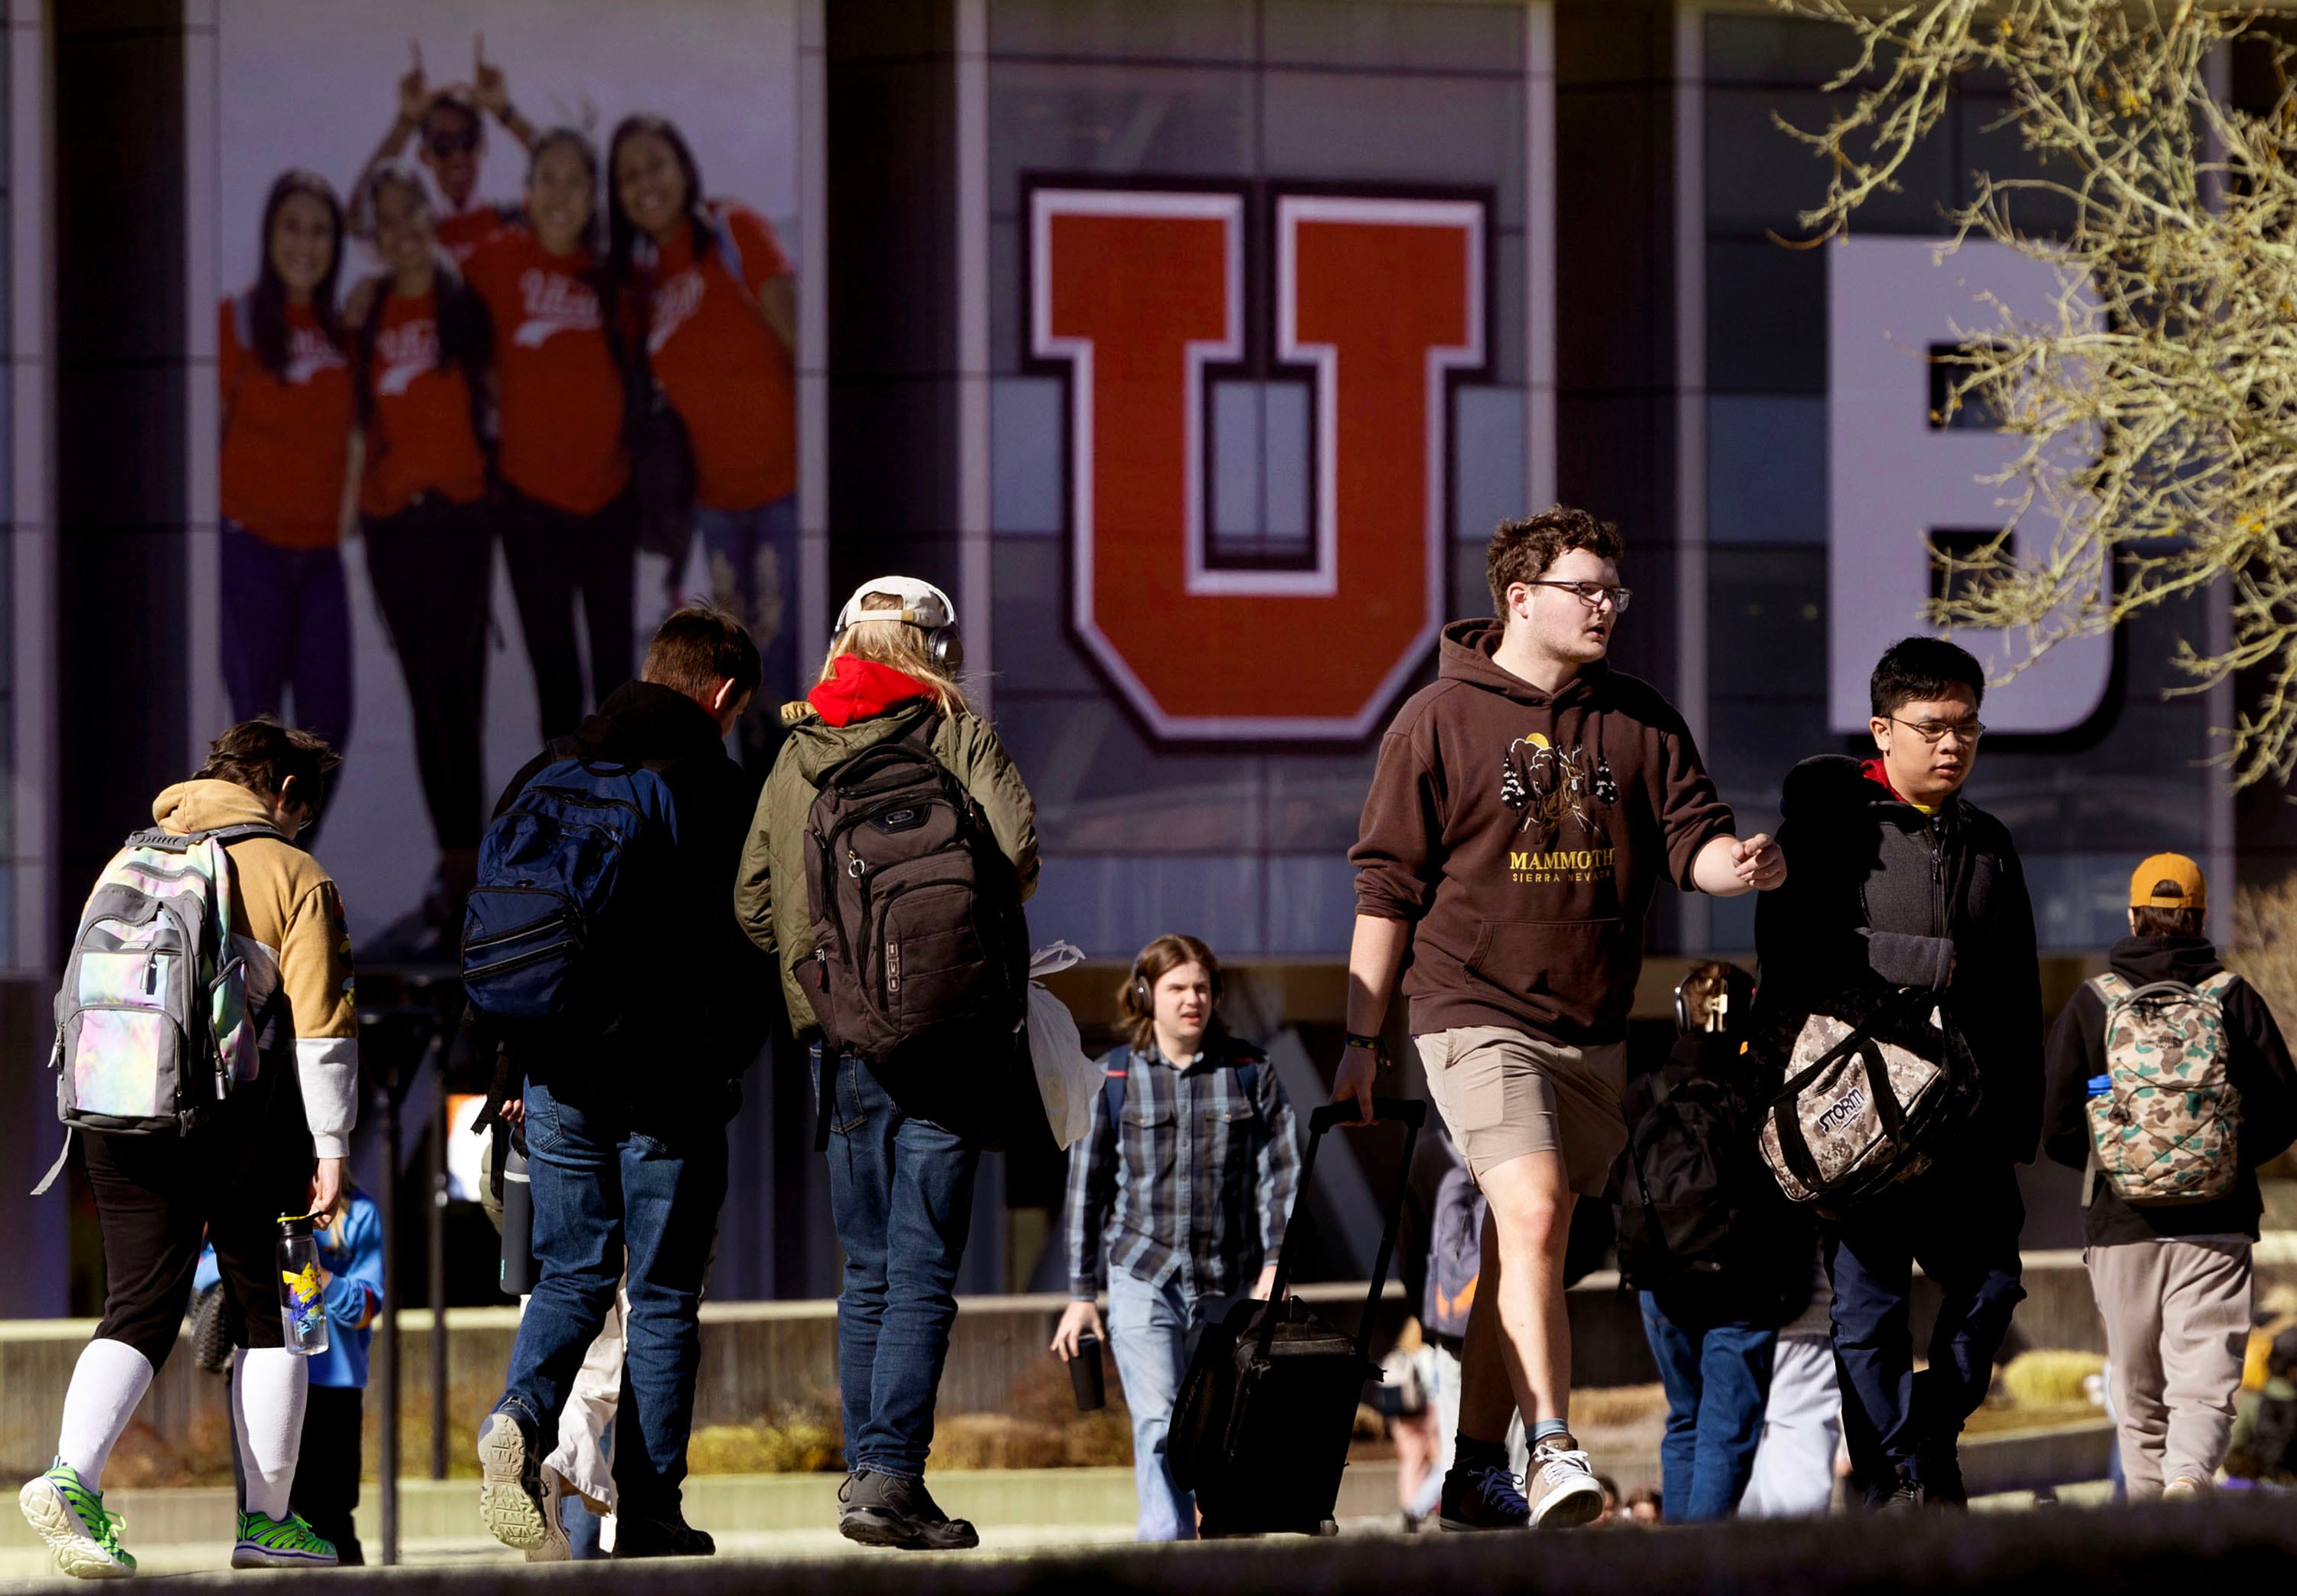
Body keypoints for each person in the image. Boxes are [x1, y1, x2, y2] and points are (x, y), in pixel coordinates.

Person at [1339, 505, 1785, 1531]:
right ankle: (1550, 1445)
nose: (1606, 609)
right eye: (1586, 590)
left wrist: (1743, 867)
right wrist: (1362, 1040)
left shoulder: (1639, 719)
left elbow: (1695, 843)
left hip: (1590, 1026)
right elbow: (1385, 888)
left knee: (1518, 1247)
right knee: (1533, 1208)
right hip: (1469, 1007)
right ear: (1520, 597)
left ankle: (1471, 1472)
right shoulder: (1436, 721)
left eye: (1614, 592)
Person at [734, 578, 1037, 1551]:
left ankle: (869, 1475)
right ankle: (890, 1479)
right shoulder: (956, 733)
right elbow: (1022, 851)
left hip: (840, 1041)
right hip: (949, 1035)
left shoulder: (798, 752)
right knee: (920, 1273)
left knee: (867, 1269)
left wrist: (829, 974)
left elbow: (750, 903)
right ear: (934, 648)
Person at [17, 720, 358, 1575]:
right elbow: (322, 1032)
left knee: (137, 1310)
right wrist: (333, 1148)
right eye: (302, 811)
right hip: (245, 1127)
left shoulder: (128, 859)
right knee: (274, 1315)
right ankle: (271, 1522)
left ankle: (72, 1476)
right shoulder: (294, 873)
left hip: (112, 1110)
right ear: (282, 795)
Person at [476, 607, 769, 1560]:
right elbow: (746, 945)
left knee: (572, 1272)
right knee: (665, 1295)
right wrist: (728, 1056)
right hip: (667, 1086)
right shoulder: (711, 786)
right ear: (722, 696)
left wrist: (510, 1065)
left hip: (558, 1071)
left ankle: (521, 1415)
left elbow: (513, 936)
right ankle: (649, 1507)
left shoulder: (547, 769)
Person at [1755, 635, 2044, 1510]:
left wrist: (2016, 1116)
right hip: (1865, 1118)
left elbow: (2019, 985)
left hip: (1967, 1122)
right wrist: (1925, 968)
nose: (1952, 745)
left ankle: (1922, 1438)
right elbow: (1792, 963)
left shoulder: (1989, 841)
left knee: (1992, 1284)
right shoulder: (1832, 837)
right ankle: (1897, 1483)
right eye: (1932, 727)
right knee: (1868, 1312)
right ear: (1883, 730)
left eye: (1968, 727)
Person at [2041, 853, 2297, 1498]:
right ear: (2201, 918)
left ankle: (2150, 1519)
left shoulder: (2093, 1002)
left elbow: (2055, 1123)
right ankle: (2188, 1479)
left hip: (2120, 1222)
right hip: (2217, 1221)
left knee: (2136, 1384)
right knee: (2205, 1375)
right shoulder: (2232, 997)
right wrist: (2223, 1162)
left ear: (2132, 916)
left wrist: (2115, 1166)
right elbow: (2283, 1109)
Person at [1051, 934, 1302, 1542]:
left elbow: (1285, 1172)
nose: (1192, 999)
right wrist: (1082, 1292)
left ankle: (1224, 1541)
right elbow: (1086, 1189)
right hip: (1142, 1276)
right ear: (1145, 994)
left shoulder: (1250, 1071)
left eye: (1201, 987)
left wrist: (1276, 1264)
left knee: (1224, 1427)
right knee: (1160, 1421)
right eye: (1176, 987)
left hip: (1228, 1282)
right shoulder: (1111, 1074)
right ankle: (1164, 1548)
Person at [606, 114, 799, 766]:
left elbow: (804, 342)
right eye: (629, 174)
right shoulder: (644, 278)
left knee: (791, 669)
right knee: (730, 683)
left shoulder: (734, 230)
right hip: (715, 509)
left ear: (685, 168)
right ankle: (752, 832)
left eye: (656, 163)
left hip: (786, 492)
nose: (645, 183)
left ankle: (802, 827)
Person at [348, 165, 495, 945]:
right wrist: (395, 137)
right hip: (392, 531)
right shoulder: (366, 313)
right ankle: (453, 862)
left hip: (461, 522)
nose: (404, 228)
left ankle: (471, 869)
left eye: (414, 212)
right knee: (425, 703)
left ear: (433, 218)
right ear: (374, 232)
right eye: (388, 217)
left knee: (459, 699)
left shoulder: (463, 300)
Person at [1619, 962, 1815, 1524]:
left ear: (1682, 1013)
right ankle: (1697, 1562)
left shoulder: (1645, 1090)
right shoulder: (1763, 1087)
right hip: (1743, 1284)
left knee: (1685, 1418)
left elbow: (1618, 1184)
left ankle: (1673, 1566)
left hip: (1662, 1283)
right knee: (1727, 1431)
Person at [466, 129, 636, 743]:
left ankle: (627, 818)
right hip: (529, 507)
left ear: (596, 195)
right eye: (548, 179)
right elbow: (410, 244)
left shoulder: (616, 275)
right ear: (527, 193)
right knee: (557, 682)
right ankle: (569, 821)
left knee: (618, 679)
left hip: (610, 502)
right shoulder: (498, 258)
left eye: (577, 180)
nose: (562, 193)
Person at [220, 171, 358, 769]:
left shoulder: (345, 332)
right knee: (257, 736)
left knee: (330, 729)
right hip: (251, 554)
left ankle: (288, 857)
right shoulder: (239, 320)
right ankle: (257, 859)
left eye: (321, 230)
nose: (306, 243)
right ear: (269, 234)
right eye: (292, 226)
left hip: (322, 560)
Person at [198, 1186, 385, 1563]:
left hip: (332, 1386)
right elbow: (200, 1274)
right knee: (259, 1515)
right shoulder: (246, 1201)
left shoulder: (358, 1211)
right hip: (258, 1379)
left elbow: (368, 1307)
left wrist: (315, 1274)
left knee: (330, 1518)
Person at [350, 38, 535, 262]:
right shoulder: (414, 232)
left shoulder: (513, 221)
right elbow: (358, 219)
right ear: (424, 155)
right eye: (443, 145)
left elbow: (576, 189)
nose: (457, 155)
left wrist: (505, 112)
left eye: (467, 140)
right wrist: (405, 122)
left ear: (482, 147)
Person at [1735, 1247, 1843, 1519]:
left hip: (1724, 1316)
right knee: (1801, 1449)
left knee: (1733, 1448)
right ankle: (1794, 1555)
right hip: (1803, 1313)